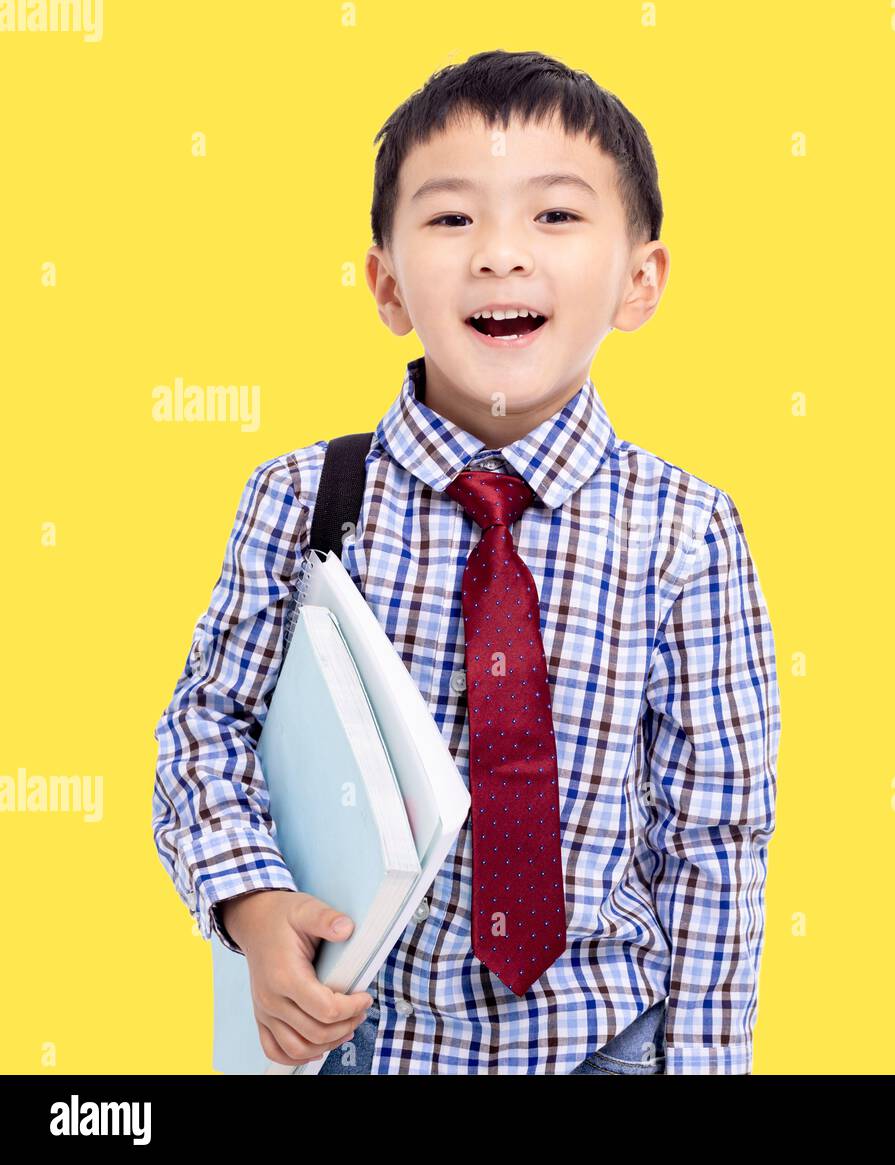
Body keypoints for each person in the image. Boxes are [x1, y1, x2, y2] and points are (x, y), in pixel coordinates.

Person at [153, 49, 780, 1075]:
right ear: (387, 283)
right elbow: (203, 729)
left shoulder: (690, 532)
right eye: (451, 218)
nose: (499, 254)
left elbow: (715, 839)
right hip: (359, 1040)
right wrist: (252, 901)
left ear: (638, 281)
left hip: (598, 1039)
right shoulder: (302, 500)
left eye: (554, 216)